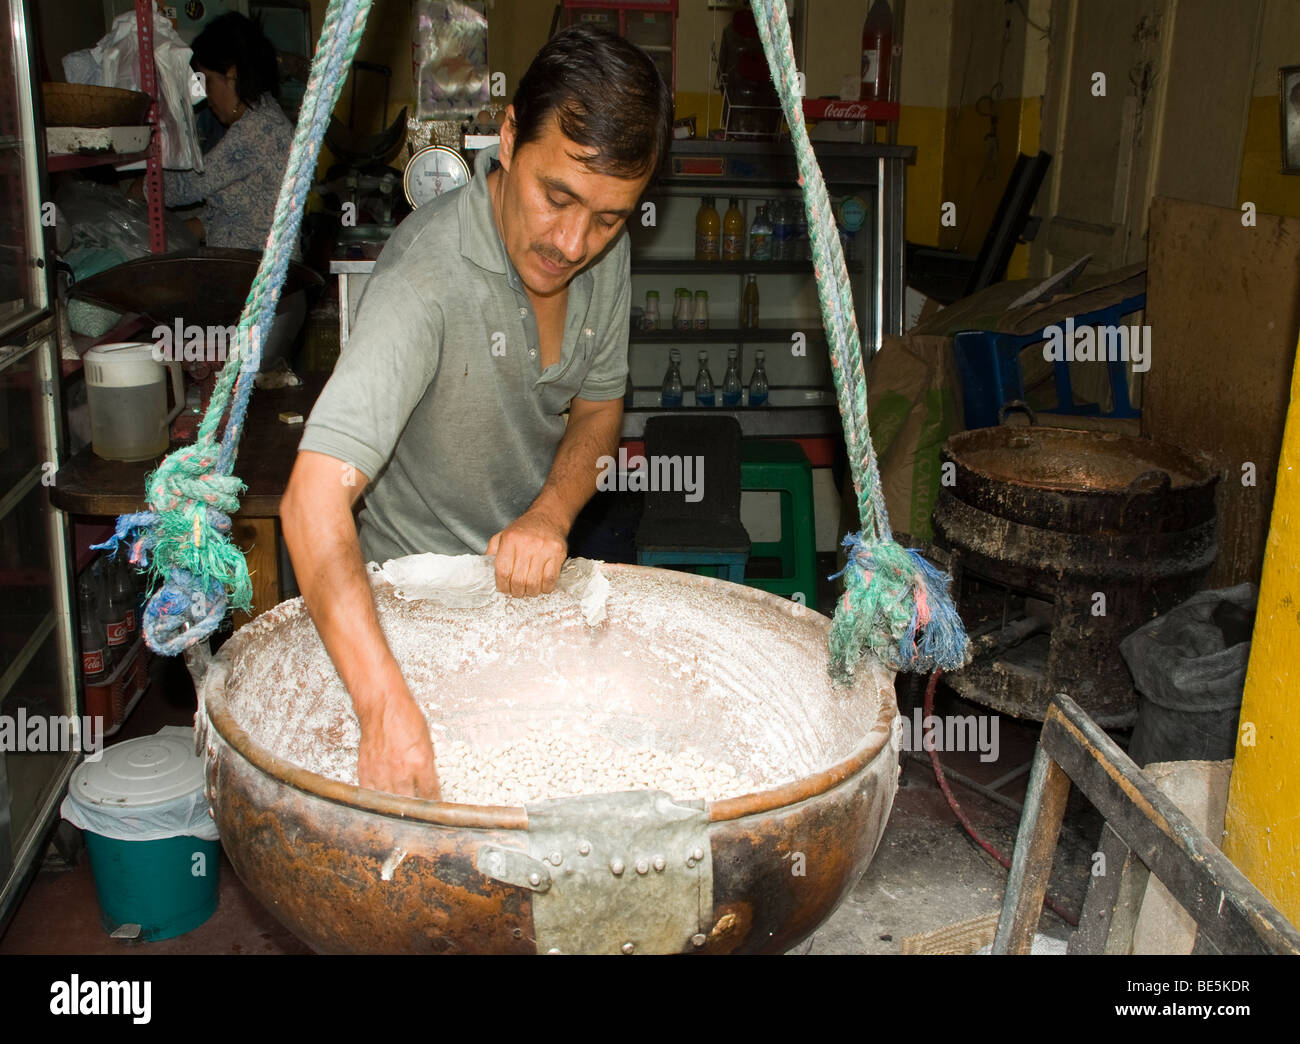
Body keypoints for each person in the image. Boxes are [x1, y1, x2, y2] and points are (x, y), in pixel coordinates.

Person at [281, 26, 673, 799]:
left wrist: (549, 516)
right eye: (555, 196)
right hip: (401, 615)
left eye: (607, 217)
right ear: (507, 136)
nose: (572, 242)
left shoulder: (605, 246)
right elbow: (311, 497)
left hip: (517, 597)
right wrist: (383, 706)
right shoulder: (424, 279)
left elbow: (599, 411)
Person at [161, 12, 304, 365]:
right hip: (266, 292)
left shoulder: (258, 130)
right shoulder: (261, 119)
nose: (206, 96)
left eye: (206, 81)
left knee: (240, 399)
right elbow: (241, 207)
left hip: (263, 294)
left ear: (232, 74)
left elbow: (187, 186)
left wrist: (143, 178)